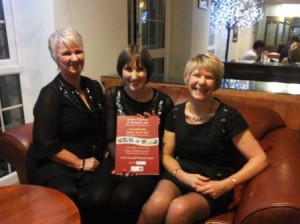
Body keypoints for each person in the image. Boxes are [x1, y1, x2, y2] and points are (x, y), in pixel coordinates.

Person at [138, 53, 268, 224]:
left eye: (209, 77)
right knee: (155, 206)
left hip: (214, 182)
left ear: (217, 83)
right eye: (196, 75)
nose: (201, 82)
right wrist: (182, 175)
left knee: (179, 210)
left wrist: (227, 184)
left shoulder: (228, 116)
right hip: (181, 173)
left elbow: (260, 159)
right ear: (187, 78)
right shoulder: (175, 113)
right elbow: (167, 155)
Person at [25, 27, 107, 224]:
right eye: (66, 53)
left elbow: (106, 123)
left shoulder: (94, 87)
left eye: (78, 51)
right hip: (56, 163)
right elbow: (45, 144)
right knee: (68, 194)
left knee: (104, 194)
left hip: (91, 160)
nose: (74, 58)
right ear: (55, 58)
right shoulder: (50, 95)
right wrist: (80, 163)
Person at [94, 44, 174, 224]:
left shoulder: (164, 102)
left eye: (140, 69)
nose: (134, 76)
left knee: (125, 198)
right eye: (128, 69)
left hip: (148, 165)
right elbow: (110, 138)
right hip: (117, 159)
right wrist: (124, 161)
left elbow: (168, 146)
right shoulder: (112, 95)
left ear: (149, 71)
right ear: (121, 71)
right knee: (95, 197)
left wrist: (156, 129)